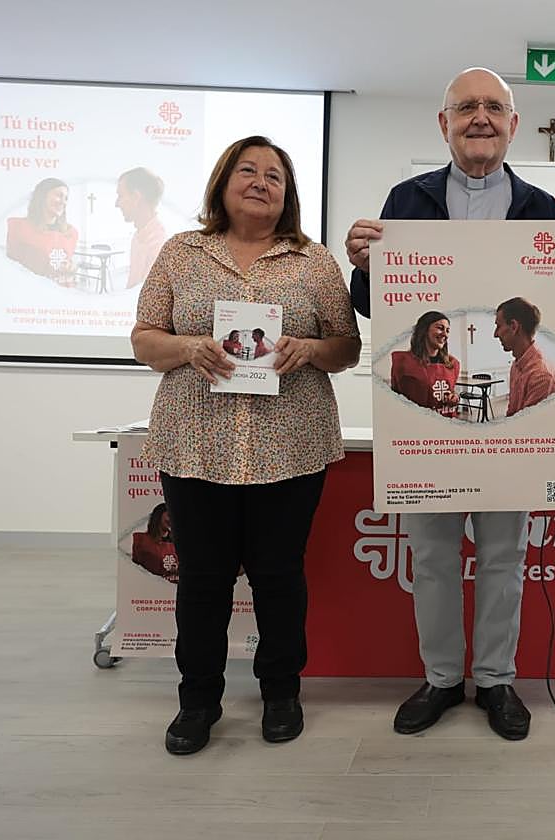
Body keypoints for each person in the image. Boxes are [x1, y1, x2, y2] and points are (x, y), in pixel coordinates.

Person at [345, 67, 555, 741]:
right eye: (467, 108)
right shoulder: (405, 199)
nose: (480, 117)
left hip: (511, 436)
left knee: (502, 557)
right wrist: (361, 265)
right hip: (427, 429)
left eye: (494, 107)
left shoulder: (545, 209)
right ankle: (438, 679)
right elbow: (374, 307)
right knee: (429, 557)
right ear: (444, 124)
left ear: (513, 125)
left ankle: (494, 680)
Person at [131, 135, 361, 756]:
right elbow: (143, 339)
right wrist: (187, 347)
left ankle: (281, 690)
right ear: (222, 183)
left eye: (275, 176)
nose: (261, 182)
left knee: (279, 576)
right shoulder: (182, 253)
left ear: (287, 194)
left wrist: (309, 350)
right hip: (195, 444)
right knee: (202, 579)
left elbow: (347, 346)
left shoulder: (312, 261)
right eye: (247, 171)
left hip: (290, 445)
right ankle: (198, 700)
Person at [494, 296, 555, 416]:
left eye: (499, 326)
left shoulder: (541, 375)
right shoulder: (516, 365)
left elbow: (528, 428)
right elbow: (512, 414)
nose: (495, 334)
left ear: (514, 326)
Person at [6, 177, 79, 283]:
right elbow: (11, 269)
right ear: (42, 196)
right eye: (59, 195)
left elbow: (67, 263)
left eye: (66, 198)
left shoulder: (71, 233)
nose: (63, 202)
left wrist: (71, 268)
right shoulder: (19, 228)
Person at [390, 311, 461, 417]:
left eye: (447, 330)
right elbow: (395, 397)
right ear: (424, 330)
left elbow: (451, 391)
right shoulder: (404, 362)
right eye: (440, 328)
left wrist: (455, 397)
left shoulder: (452, 364)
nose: (445, 334)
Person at [116, 167, 168, 289]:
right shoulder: (138, 237)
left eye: (120, 196)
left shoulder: (159, 244)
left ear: (136, 197)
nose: (117, 203)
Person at [131, 503, 179, 583]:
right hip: (150, 587)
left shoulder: (177, 544)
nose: (172, 520)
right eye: (169, 515)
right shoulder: (141, 541)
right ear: (159, 515)